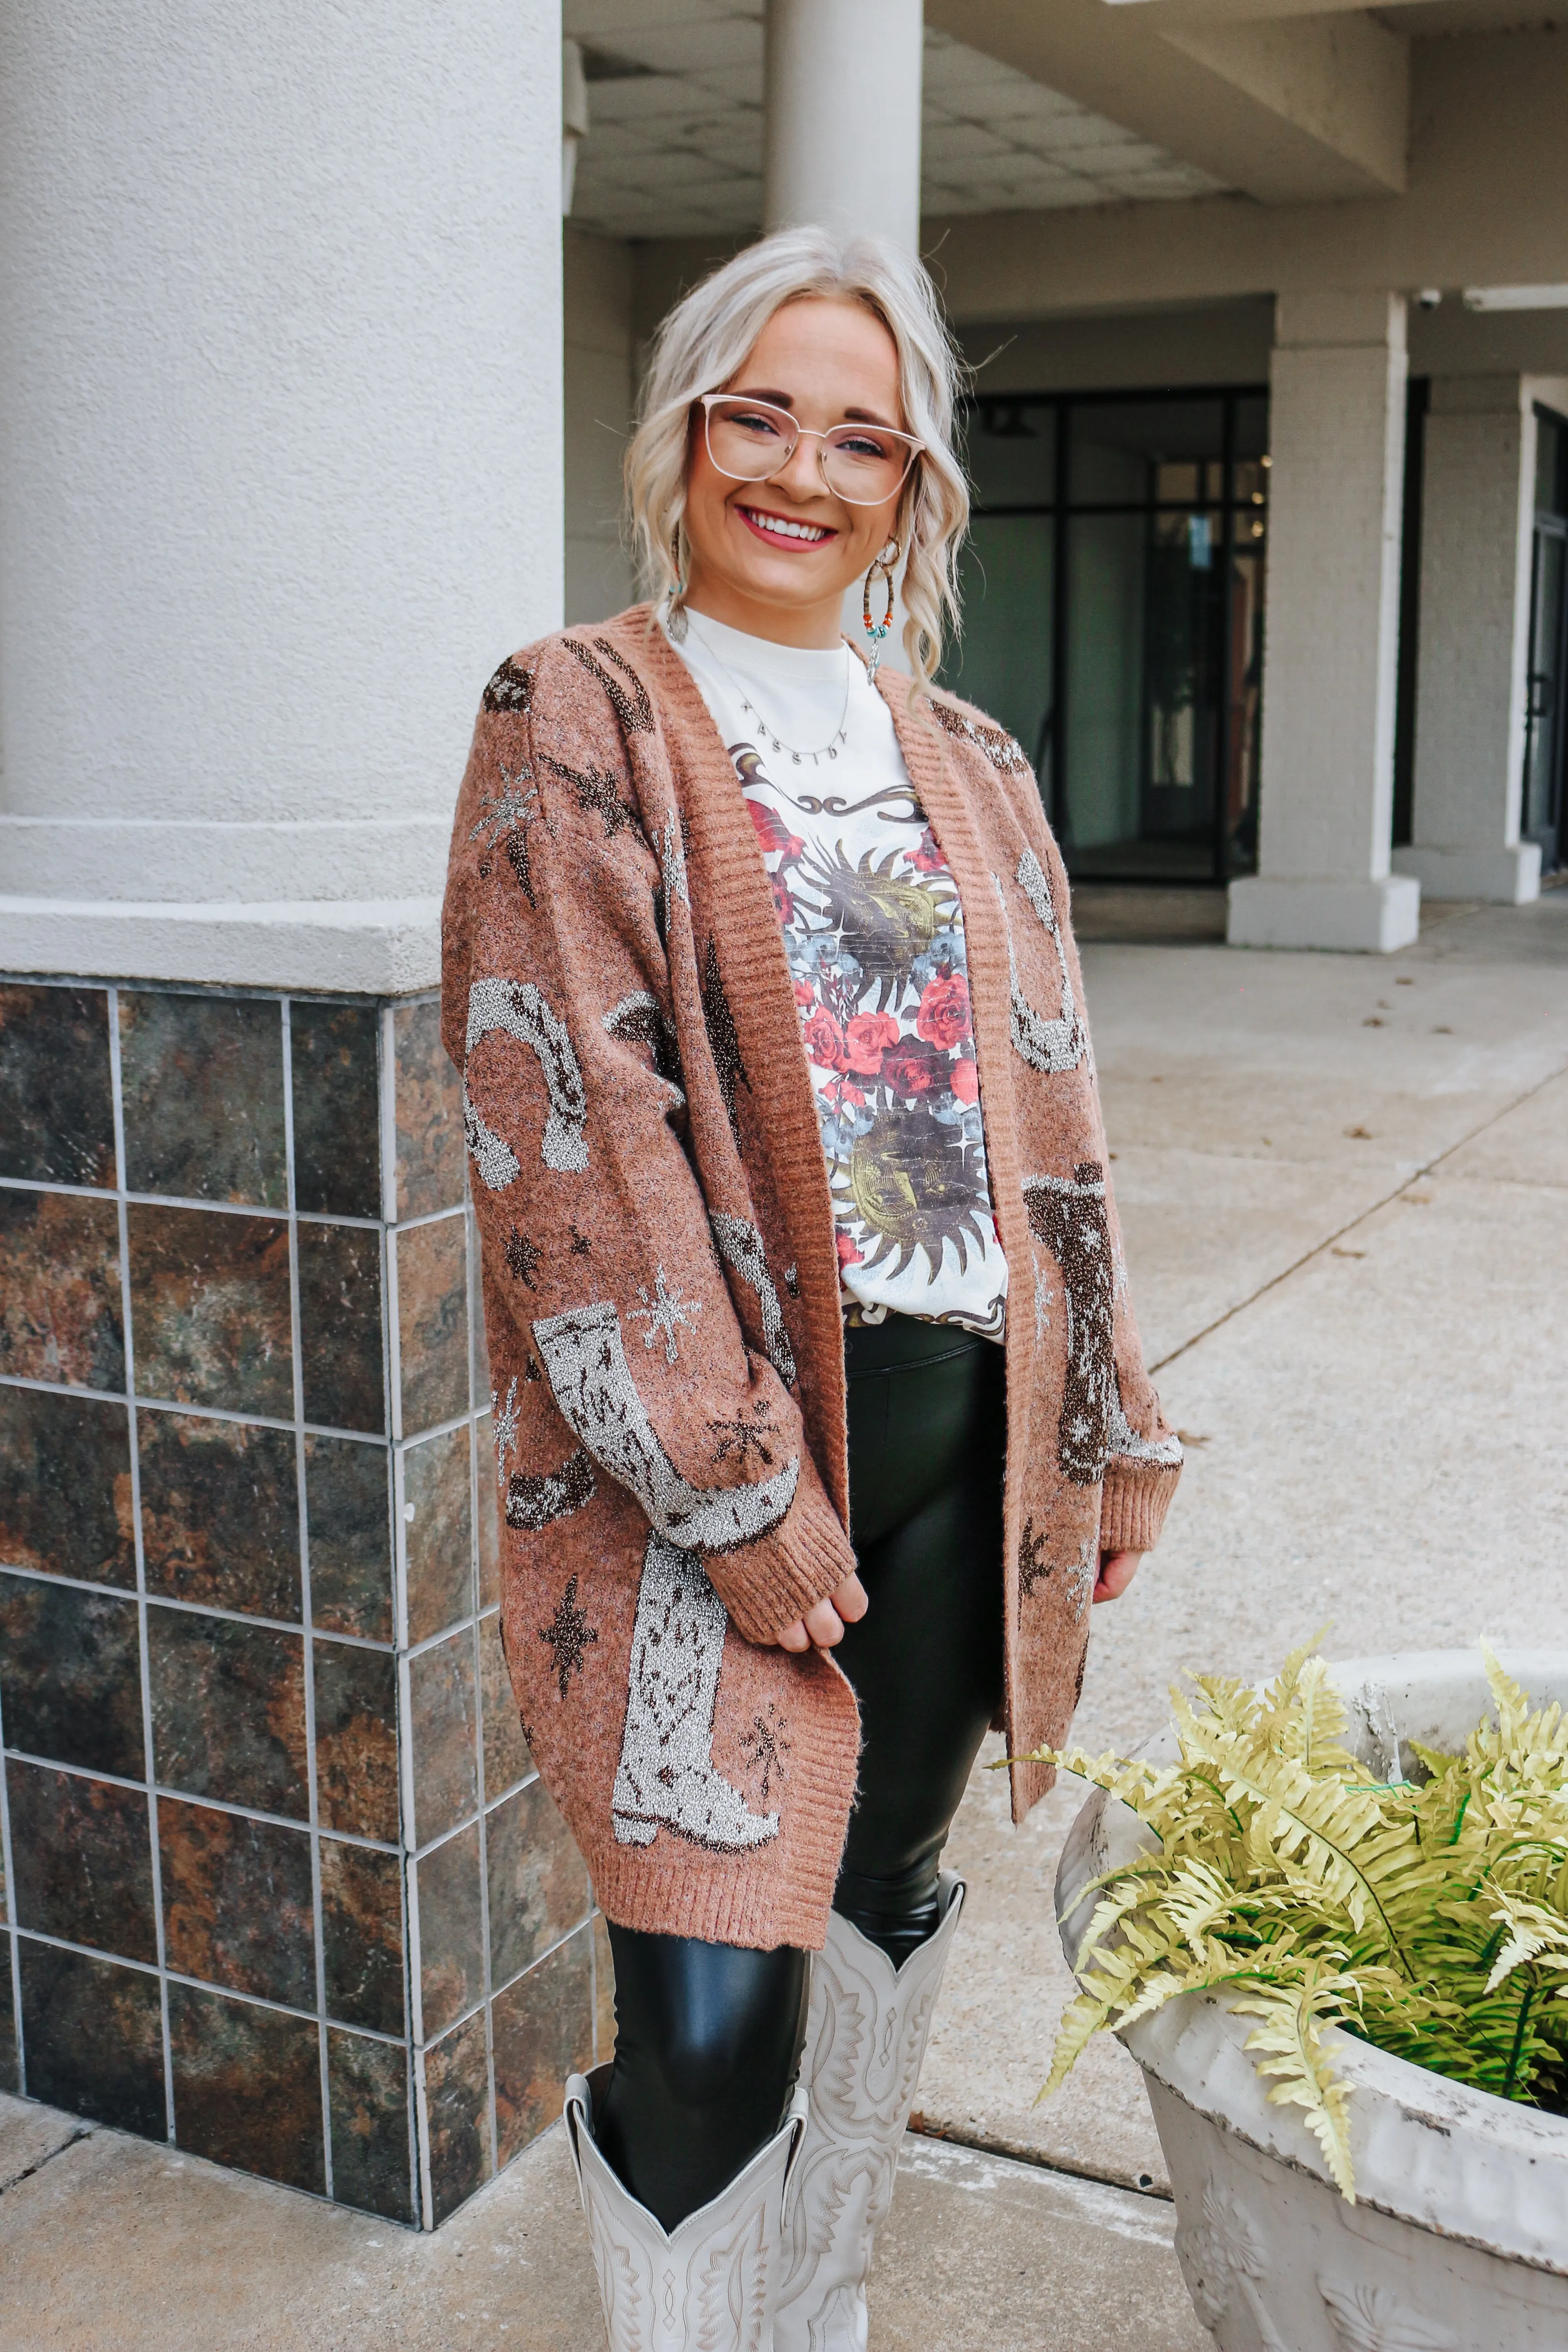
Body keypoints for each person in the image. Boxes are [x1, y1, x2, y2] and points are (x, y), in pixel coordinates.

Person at [440, 225, 1181, 2352]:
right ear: (680, 432)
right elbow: (568, 1134)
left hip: (974, 1447)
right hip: (713, 1491)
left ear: (918, 484)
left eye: (862, 434)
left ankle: (818, 2324)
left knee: (877, 1922)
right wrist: (732, 1495)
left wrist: (1109, 1423)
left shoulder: (979, 757)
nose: (802, 469)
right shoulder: (571, 711)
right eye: (758, 412)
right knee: (702, 2026)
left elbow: (1064, 1116)